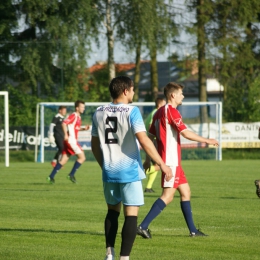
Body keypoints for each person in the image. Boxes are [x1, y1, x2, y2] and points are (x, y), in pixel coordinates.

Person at [91, 76, 172, 260]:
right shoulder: (132, 111)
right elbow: (144, 140)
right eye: (133, 89)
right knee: (131, 215)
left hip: (109, 172)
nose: (134, 93)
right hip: (129, 171)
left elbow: (94, 146)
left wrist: (104, 166)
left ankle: (109, 254)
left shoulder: (98, 112)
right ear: (126, 90)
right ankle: (124, 258)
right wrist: (162, 164)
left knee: (112, 212)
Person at [137, 82, 219, 239]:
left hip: (172, 161)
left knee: (186, 192)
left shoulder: (159, 112)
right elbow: (186, 133)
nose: (183, 96)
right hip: (170, 161)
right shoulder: (171, 112)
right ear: (172, 95)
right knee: (167, 196)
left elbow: (151, 137)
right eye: (181, 93)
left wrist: (148, 159)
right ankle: (142, 226)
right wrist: (207, 140)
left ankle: (193, 231)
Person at [47, 100, 90, 184]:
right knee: (82, 157)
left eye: (84, 107)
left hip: (69, 141)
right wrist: (66, 135)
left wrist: (83, 129)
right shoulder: (73, 115)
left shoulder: (78, 117)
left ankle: (51, 177)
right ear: (77, 108)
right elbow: (64, 123)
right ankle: (71, 174)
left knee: (63, 160)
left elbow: (75, 128)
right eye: (82, 107)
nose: (83, 109)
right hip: (71, 141)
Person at [144, 97, 166, 193]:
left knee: (156, 165)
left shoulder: (155, 112)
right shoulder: (155, 113)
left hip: (153, 141)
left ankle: (148, 187)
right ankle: (136, 174)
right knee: (158, 166)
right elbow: (150, 128)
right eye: (164, 104)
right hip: (153, 142)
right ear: (159, 105)